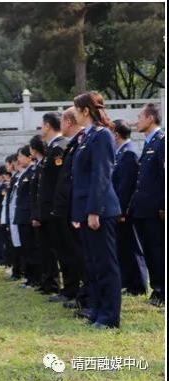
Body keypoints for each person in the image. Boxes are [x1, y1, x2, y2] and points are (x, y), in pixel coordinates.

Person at [72, 91, 121, 329]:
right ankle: (97, 310)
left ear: (85, 111)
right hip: (86, 210)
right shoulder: (86, 137)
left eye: (76, 109)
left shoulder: (102, 136)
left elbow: (101, 175)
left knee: (105, 264)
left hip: (100, 210)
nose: (73, 114)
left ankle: (110, 316)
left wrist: (94, 210)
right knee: (92, 264)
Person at [129, 103, 165, 307]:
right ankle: (157, 289)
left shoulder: (162, 142)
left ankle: (163, 291)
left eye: (140, 117)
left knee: (159, 251)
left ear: (151, 119)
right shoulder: (149, 144)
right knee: (150, 251)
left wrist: (163, 205)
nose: (137, 121)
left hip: (156, 209)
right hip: (143, 208)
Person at [53, 107, 88, 313]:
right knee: (73, 253)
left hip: (78, 208)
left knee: (81, 255)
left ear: (68, 122)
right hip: (69, 208)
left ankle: (84, 293)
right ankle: (81, 293)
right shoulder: (74, 144)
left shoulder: (82, 142)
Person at [112, 119, 148, 296]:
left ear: (116, 134)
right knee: (123, 247)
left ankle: (139, 285)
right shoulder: (120, 153)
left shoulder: (128, 153)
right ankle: (128, 282)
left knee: (132, 247)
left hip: (126, 210)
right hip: (119, 209)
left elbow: (126, 186)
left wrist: (121, 209)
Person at [36, 112, 68, 296]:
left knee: (63, 251)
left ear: (48, 125)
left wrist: (56, 208)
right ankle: (63, 287)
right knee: (56, 250)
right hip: (49, 209)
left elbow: (58, 182)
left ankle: (69, 288)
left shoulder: (59, 147)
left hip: (56, 209)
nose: (41, 128)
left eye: (42, 124)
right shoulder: (52, 148)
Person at [15, 145, 38, 289]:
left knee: (32, 249)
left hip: (28, 214)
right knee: (26, 249)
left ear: (29, 157)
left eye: (21, 156)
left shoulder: (33, 171)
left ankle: (35, 278)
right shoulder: (25, 173)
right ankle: (30, 278)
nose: (18, 159)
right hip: (22, 215)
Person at [27, 135, 46, 289]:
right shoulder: (38, 166)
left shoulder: (43, 163)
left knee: (49, 251)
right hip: (38, 212)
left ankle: (51, 282)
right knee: (41, 249)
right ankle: (45, 281)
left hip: (45, 213)